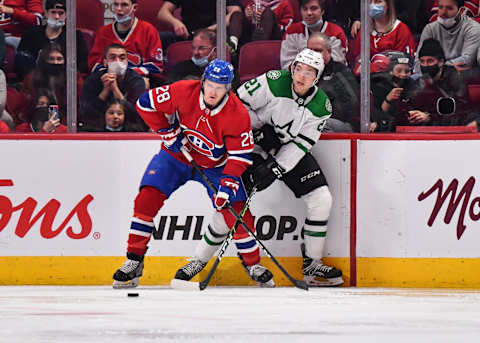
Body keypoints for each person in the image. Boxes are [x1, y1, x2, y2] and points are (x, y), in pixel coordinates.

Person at [112, 59, 275, 288]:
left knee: (237, 212)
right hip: (175, 157)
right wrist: (166, 131)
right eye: (210, 84)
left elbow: (240, 155)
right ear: (203, 81)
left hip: (215, 167)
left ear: (228, 88)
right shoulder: (182, 90)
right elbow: (145, 103)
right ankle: (134, 261)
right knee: (146, 199)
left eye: (220, 87)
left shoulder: (237, 113)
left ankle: (253, 264)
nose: (213, 91)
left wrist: (228, 184)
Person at [236, 48, 344, 286]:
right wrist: (258, 129)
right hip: (250, 143)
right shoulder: (273, 81)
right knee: (235, 195)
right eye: (298, 69)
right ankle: (248, 260)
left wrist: (275, 167)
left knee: (321, 199)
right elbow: (237, 103)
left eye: (309, 72)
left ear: (317, 77)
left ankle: (312, 264)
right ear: (292, 68)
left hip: (285, 151)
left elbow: (301, 144)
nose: (301, 76)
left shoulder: (321, 106)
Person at [384, 39, 480, 130]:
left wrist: (428, 118)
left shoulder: (456, 80)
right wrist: (412, 115)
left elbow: (460, 115)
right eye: (422, 61)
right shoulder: (418, 84)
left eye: (430, 61)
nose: (425, 65)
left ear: (441, 62)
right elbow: (402, 114)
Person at [88, 0, 164, 85]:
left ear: (134, 8)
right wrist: (113, 75)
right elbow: (94, 64)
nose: (119, 9)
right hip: (109, 82)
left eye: (124, 5)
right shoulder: (103, 32)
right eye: (116, 5)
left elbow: (156, 66)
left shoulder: (149, 31)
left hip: (138, 81)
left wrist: (128, 74)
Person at [15, 0, 89, 80]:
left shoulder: (75, 36)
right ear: (46, 13)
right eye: (53, 12)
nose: (57, 16)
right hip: (35, 81)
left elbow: (83, 63)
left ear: (66, 14)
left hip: (65, 81)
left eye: (61, 13)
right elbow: (21, 60)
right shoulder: (31, 34)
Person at [80, 43, 146, 131]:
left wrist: (115, 89)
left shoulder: (136, 80)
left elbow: (137, 113)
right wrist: (105, 90)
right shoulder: (94, 79)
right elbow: (86, 112)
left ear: (127, 61)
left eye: (122, 58)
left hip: (130, 128)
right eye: (113, 58)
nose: (118, 61)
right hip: (97, 128)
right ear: (105, 62)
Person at [307, 32, 359, 132]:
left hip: (341, 123)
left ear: (329, 51)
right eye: (309, 51)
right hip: (315, 120)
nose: (312, 55)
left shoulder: (341, 72)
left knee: (313, 124)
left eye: (318, 50)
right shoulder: (304, 73)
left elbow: (350, 108)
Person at [415, 0, 480, 74]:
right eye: (440, 7)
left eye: (449, 8)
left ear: (461, 11)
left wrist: (435, 68)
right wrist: (439, 69)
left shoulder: (473, 28)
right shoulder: (430, 28)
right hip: (433, 73)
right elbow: (417, 62)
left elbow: (467, 61)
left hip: (459, 76)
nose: (443, 12)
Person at [280, 0, 348, 69]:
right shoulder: (291, 32)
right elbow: (286, 66)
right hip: (300, 77)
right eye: (305, 9)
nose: (309, 13)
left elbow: (337, 66)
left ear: (322, 11)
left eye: (314, 8)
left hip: (329, 78)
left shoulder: (336, 32)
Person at [157, 0, 242, 52]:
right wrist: (175, 22)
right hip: (187, 34)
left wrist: (210, 29)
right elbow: (162, 13)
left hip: (214, 35)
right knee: (158, 37)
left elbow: (235, 13)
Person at [369, 51, 420, 132]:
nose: (403, 75)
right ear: (390, 71)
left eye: (407, 71)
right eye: (399, 71)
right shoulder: (377, 87)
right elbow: (378, 115)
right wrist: (388, 99)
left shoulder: (413, 87)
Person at [352, 0, 416, 58]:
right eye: (369, 2)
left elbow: (404, 62)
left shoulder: (401, 30)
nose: (373, 6)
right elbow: (357, 61)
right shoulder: (364, 31)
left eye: (378, 1)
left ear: (388, 5)